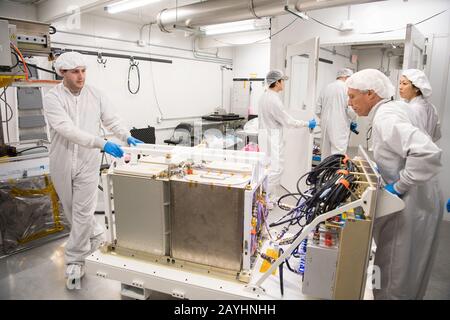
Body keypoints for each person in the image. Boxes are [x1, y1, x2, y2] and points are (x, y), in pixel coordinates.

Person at [43, 52, 143, 289]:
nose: (81, 76)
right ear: (62, 73)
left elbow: (112, 120)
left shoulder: (95, 94)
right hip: (62, 161)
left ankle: (75, 260)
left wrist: (126, 136)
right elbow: (65, 128)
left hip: (88, 163)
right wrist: (102, 143)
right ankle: (96, 233)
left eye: (83, 70)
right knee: (71, 209)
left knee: (81, 211)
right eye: (75, 71)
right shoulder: (52, 97)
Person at [346, 69, 443, 300]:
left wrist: (398, 186)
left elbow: (427, 151)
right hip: (421, 202)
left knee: (392, 279)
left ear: (370, 94)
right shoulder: (398, 108)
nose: (349, 104)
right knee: (407, 274)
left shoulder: (385, 117)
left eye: (352, 97)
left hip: (407, 206)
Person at [258, 69, 316, 205]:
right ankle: (265, 200)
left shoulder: (264, 96)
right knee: (276, 169)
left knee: (267, 168)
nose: (283, 83)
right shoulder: (274, 100)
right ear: (277, 82)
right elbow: (288, 121)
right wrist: (307, 123)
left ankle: (269, 198)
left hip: (265, 135)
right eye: (282, 81)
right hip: (272, 137)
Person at [316, 68, 358, 159]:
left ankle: (324, 173)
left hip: (325, 125)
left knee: (325, 154)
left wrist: (325, 118)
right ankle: (336, 173)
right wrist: (353, 119)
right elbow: (351, 111)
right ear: (347, 77)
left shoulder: (326, 87)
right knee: (338, 154)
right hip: (340, 126)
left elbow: (318, 110)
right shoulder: (347, 89)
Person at [399, 69, 441, 142]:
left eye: (404, 83)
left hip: (414, 151)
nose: (400, 87)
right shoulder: (430, 107)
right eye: (400, 83)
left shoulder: (413, 109)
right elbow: (437, 135)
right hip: (426, 149)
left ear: (417, 88)